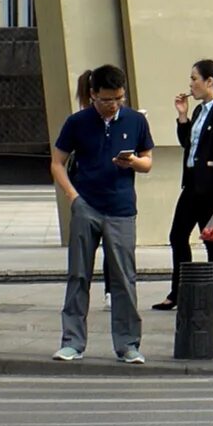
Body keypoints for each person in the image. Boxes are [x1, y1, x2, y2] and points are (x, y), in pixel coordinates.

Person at [50, 64, 154, 363]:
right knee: (78, 275)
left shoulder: (135, 120)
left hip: (122, 208)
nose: (113, 105)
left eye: (118, 98)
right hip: (87, 206)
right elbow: (57, 162)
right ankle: (72, 341)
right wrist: (73, 198)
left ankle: (128, 344)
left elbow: (148, 161)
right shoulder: (78, 122)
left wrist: (133, 162)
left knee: (124, 277)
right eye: (107, 100)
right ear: (93, 95)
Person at [154, 59, 213, 314]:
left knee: (212, 241)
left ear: (209, 81)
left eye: (194, 78)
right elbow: (188, 143)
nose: (190, 84)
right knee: (178, 235)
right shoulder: (200, 110)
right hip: (191, 183)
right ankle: (179, 291)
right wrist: (182, 115)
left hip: (210, 186)